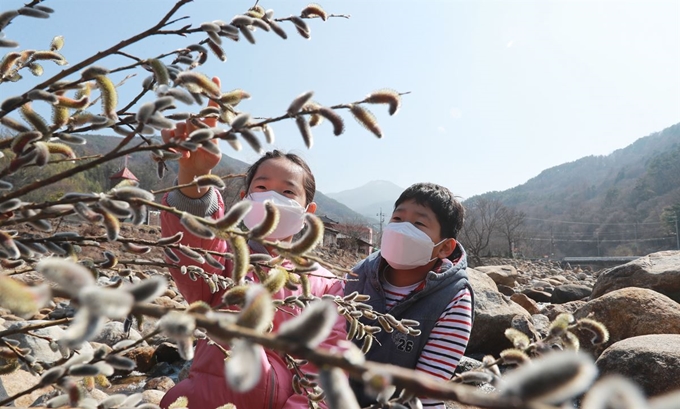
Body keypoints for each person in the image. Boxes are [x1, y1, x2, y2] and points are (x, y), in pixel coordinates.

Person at [158, 77, 346, 409]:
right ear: (243, 198)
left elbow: (323, 366)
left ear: (308, 211)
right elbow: (192, 252)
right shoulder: (228, 258)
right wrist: (192, 179)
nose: (273, 198)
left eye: (288, 191)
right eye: (262, 187)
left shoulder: (327, 285)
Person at [345, 182, 474, 408]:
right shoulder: (359, 275)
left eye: (418, 223)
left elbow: (426, 391)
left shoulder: (453, 299)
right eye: (397, 219)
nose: (402, 229)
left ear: (444, 248)